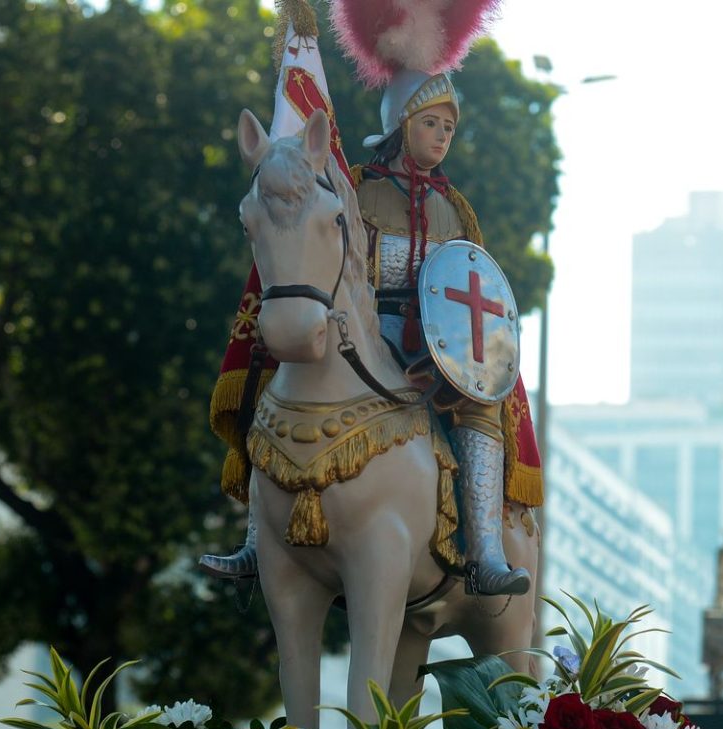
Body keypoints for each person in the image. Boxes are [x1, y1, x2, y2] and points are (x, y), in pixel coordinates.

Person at [200, 68, 540, 596]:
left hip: (439, 344)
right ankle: (255, 538)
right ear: (401, 126)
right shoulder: (354, 186)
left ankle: (486, 552)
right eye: (431, 122)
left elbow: (474, 285)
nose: (443, 135)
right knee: (274, 379)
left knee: (480, 407)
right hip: (362, 323)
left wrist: (474, 358)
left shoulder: (455, 207)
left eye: (449, 126)